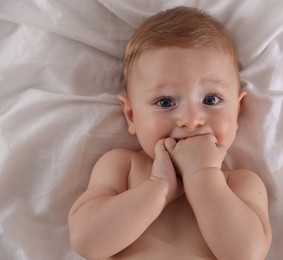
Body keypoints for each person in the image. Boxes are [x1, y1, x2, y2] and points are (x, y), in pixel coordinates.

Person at [68, 6, 272, 260]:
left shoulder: (239, 184)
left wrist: (203, 176)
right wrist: (159, 188)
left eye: (210, 99)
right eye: (165, 102)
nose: (191, 120)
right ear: (131, 116)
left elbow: (246, 254)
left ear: (238, 109)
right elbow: (88, 242)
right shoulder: (123, 166)